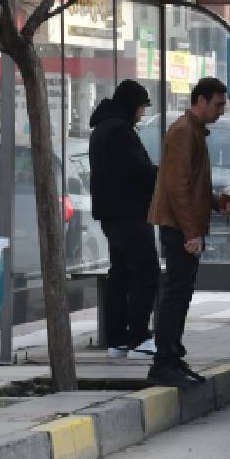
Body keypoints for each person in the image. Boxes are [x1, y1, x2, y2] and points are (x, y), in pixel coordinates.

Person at [146, 77, 230, 386]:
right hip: (178, 228)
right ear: (200, 100)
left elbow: (191, 184)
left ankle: (172, 355)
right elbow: (176, 187)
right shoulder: (184, 132)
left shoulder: (193, 131)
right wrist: (191, 233)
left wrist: (215, 202)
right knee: (175, 294)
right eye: (218, 104)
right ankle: (164, 362)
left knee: (181, 293)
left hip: (183, 225)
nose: (221, 111)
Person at [88, 80, 159, 360]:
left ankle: (117, 340)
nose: (142, 114)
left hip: (111, 214)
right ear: (131, 104)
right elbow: (138, 170)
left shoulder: (103, 129)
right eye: (141, 107)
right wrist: (162, 174)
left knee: (120, 274)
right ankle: (139, 337)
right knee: (146, 271)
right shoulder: (119, 131)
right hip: (128, 213)